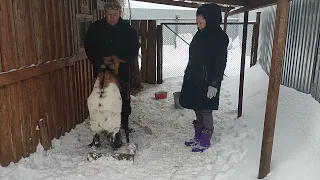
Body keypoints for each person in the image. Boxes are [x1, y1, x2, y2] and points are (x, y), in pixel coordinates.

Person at [84, 0, 139, 143]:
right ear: (105, 13)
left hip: (122, 70)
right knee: (101, 98)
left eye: (115, 14)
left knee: (123, 98)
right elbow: (89, 47)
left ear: (119, 13)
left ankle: (123, 124)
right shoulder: (95, 28)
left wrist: (121, 60)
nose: (112, 17)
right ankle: (101, 127)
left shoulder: (128, 30)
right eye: (109, 14)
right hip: (101, 70)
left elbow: (134, 48)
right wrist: (99, 60)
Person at [179, 3, 229, 153]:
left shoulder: (220, 38)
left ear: (211, 20)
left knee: (206, 110)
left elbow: (221, 63)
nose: (198, 25)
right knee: (197, 107)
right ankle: (198, 136)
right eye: (197, 22)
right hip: (194, 78)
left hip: (208, 81)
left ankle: (206, 140)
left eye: (200, 22)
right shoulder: (200, 34)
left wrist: (214, 83)